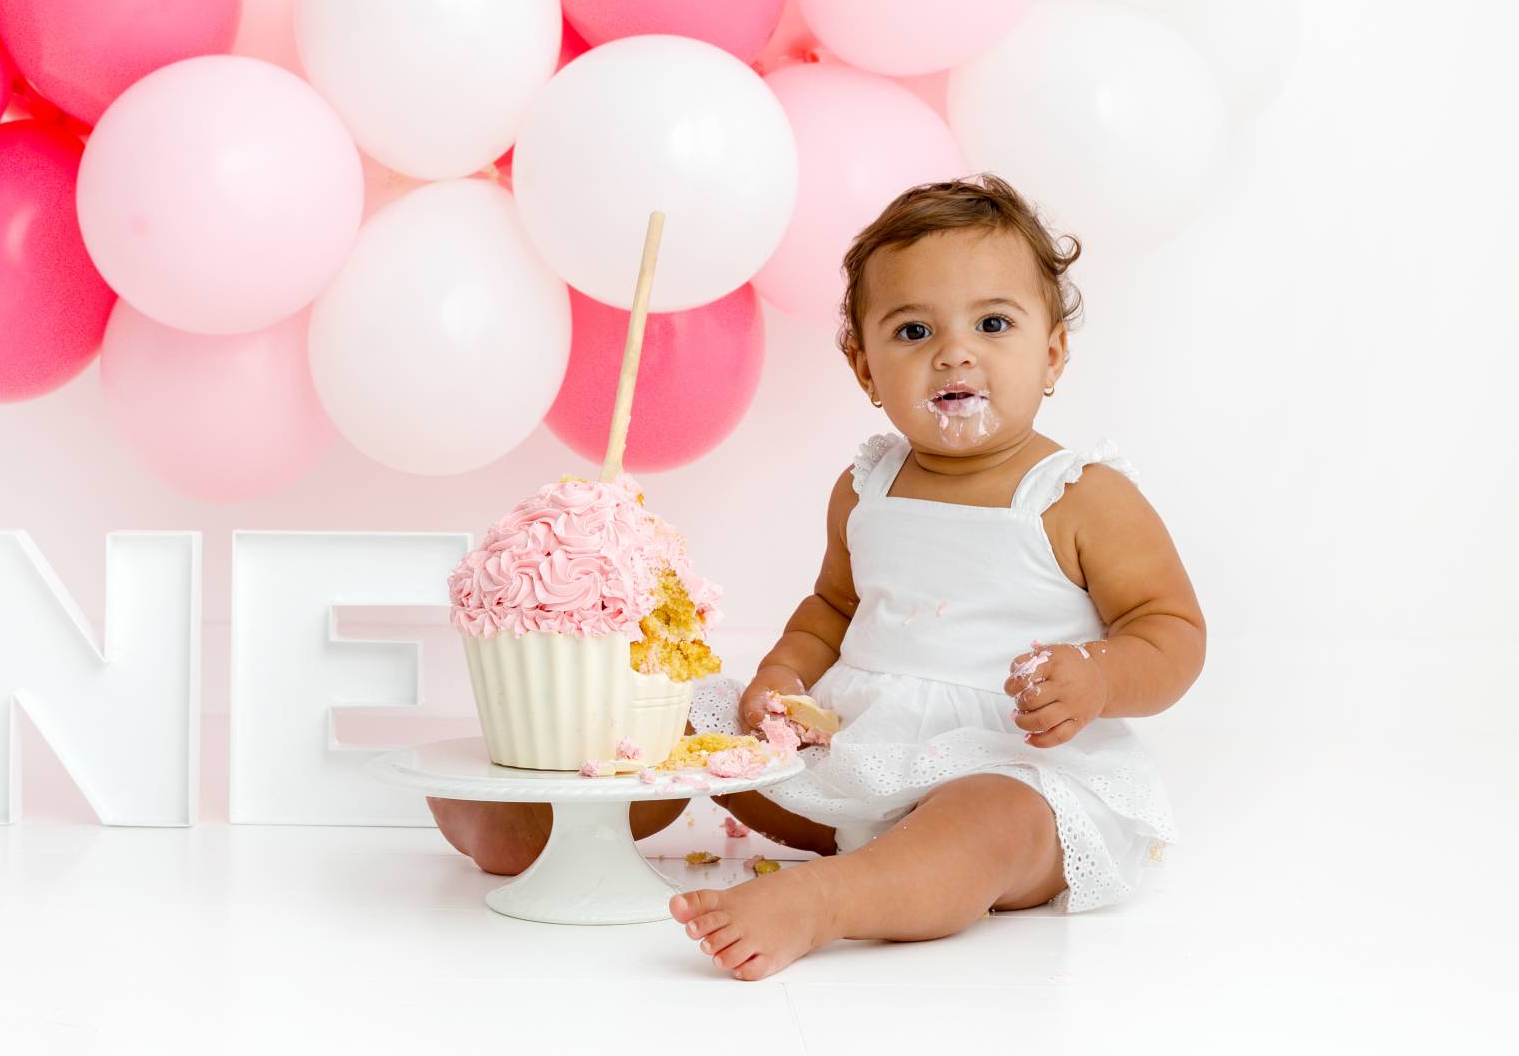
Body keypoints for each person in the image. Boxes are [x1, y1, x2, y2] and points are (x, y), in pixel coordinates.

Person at [433, 174, 1204, 981]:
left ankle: (829, 900)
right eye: (912, 329)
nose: (955, 350)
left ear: (1051, 353)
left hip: (1019, 761)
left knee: (993, 819)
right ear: (865, 368)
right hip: (864, 748)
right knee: (694, 721)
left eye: (994, 322)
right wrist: (781, 677)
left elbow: (1171, 628)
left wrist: (1099, 678)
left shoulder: (1081, 495)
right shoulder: (867, 487)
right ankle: (556, 824)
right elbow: (832, 606)